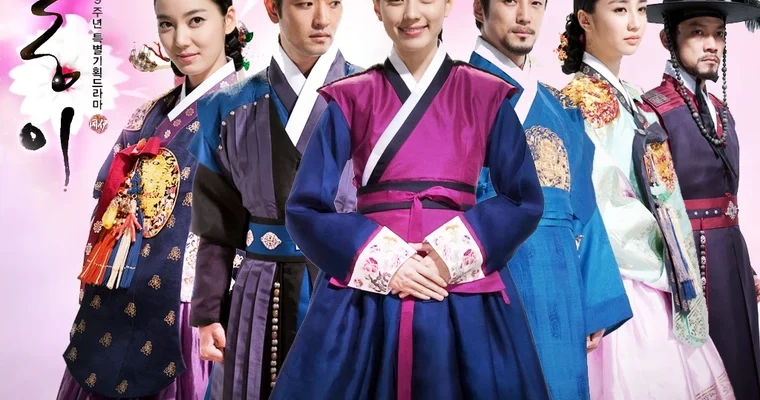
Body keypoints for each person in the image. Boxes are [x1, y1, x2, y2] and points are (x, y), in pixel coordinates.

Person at [267, 0, 551, 399]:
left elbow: (523, 199)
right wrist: (386, 261)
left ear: (449, 4)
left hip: (458, 281)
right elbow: (304, 209)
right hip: (371, 290)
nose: (412, 14)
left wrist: (450, 253)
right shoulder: (351, 97)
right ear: (377, 7)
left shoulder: (486, 94)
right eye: (397, 0)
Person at [58, 0, 247, 398]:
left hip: (191, 308)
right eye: (167, 24)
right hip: (119, 292)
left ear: (228, 20)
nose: (181, 40)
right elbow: (107, 197)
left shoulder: (252, 110)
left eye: (196, 20)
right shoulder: (149, 113)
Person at [559, 0, 735, 398]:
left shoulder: (634, 98)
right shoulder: (575, 101)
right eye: (620, 9)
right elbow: (595, 203)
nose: (635, 22)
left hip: (659, 268)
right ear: (585, 19)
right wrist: (664, 245)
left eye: (640, 9)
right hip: (622, 276)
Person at [187, 0, 360, 398]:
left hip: (349, 289)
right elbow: (217, 225)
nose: (323, 19)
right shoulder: (227, 106)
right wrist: (209, 313)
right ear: (272, 8)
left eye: (334, 3)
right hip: (260, 295)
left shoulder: (375, 97)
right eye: (305, 3)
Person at [469, 0, 632, 398]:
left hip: (560, 284)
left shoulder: (561, 108)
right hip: (487, 279)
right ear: (478, 8)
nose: (525, 16)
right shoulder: (454, 96)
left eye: (536, 3)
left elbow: (584, 205)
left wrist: (594, 297)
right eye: (510, 1)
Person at [640, 1, 760, 398]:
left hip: (732, 255)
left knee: (746, 365)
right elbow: (650, 205)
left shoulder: (721, 111)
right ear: (667, 38)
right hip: (687, 263)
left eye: (718, 34)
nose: (712, 44)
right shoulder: (652, 110)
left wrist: (746, 266)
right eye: (697, 32)